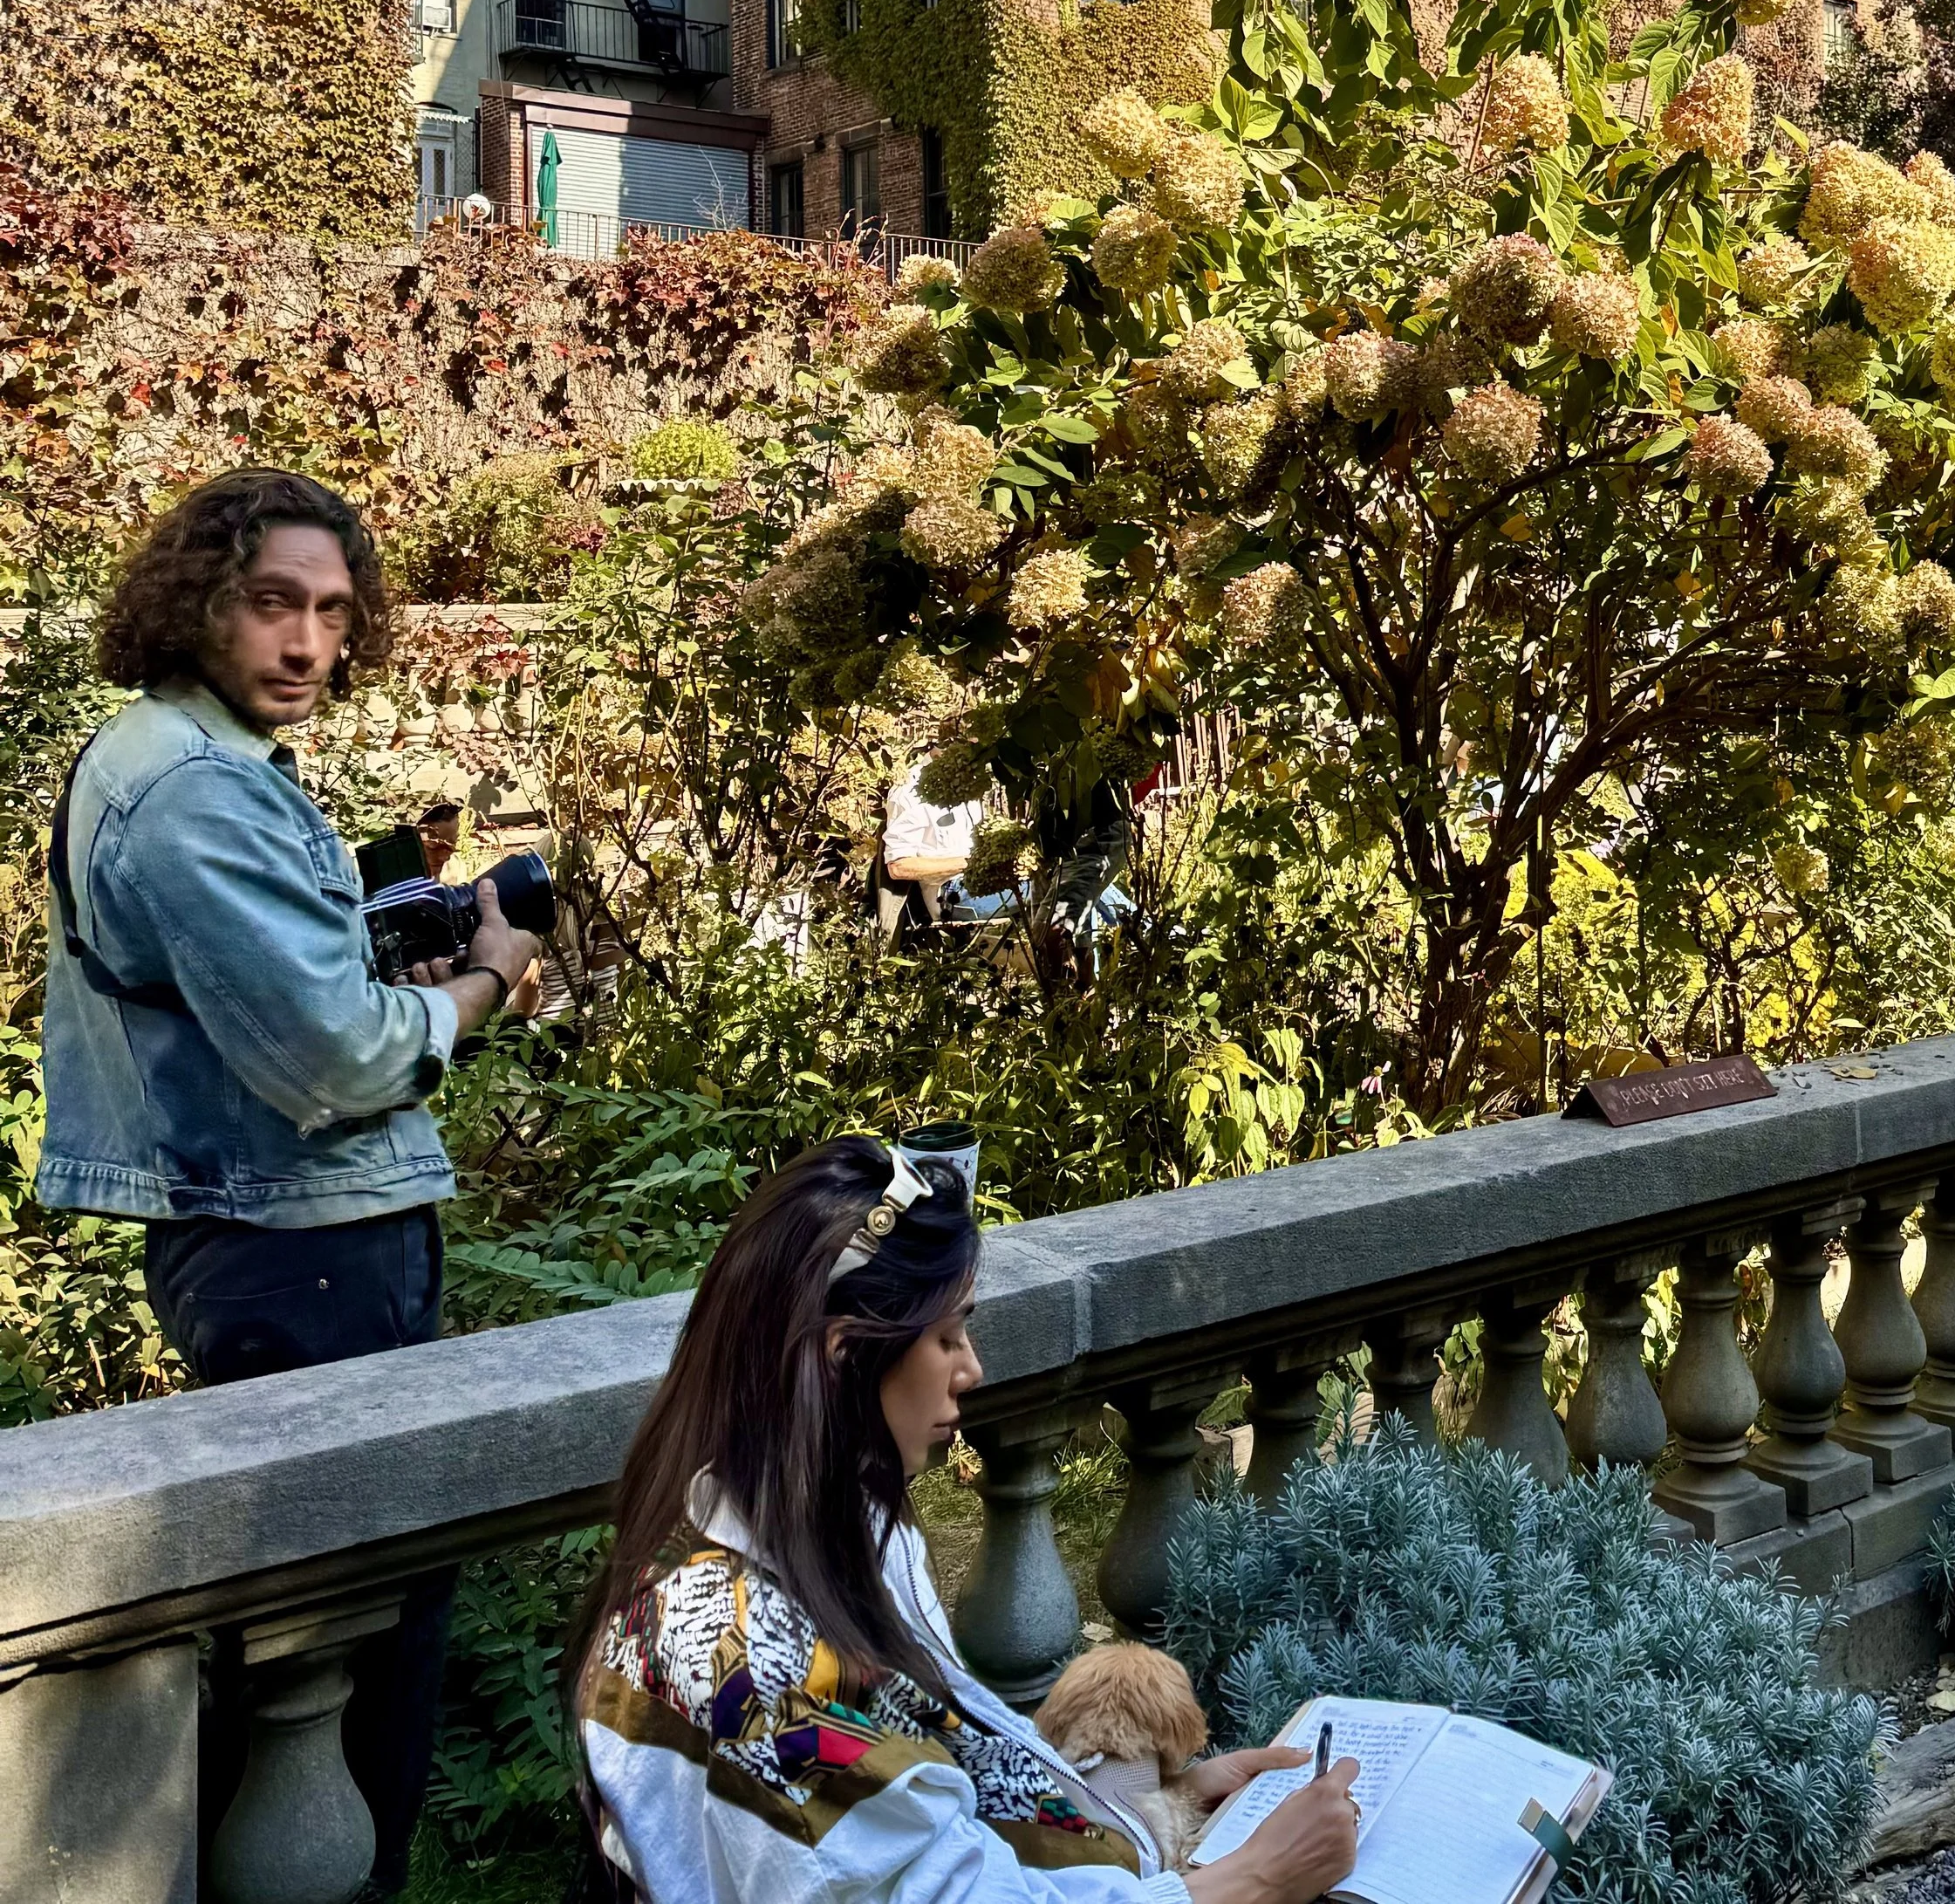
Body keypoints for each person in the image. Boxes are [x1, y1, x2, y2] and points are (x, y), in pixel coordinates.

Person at [35, 468, 545, 1899]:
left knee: (313, 1648)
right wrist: (486, 985)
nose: (308, 640)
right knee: (349, 1654)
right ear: (195, 597)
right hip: (300, 1241)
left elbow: (269, 1006)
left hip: (279, 1233)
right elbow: (332, 1058)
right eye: (274, 601)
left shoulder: (179, 758)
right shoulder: (195, 789)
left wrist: (392, 973)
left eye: (332, 609)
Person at [576, 1135, 1361, 1904]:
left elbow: (946, 1796)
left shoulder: (795, 1526)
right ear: (846, 1355)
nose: (972, 1368)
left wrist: (1159, 1805)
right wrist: (1254, 1880)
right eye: (947, 1336)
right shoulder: (760, 1682)